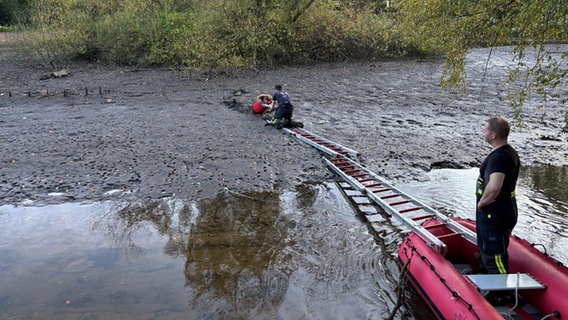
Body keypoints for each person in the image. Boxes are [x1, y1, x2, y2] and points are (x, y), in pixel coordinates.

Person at [476, 116, 520, 278]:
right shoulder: (509, 152)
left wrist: (482, 203)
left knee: (494, 253)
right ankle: (487, 281)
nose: (483, 132)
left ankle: (501, 293)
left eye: (485, 129)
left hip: (494, 212)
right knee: (489, 248)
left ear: (493, 135)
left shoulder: (499, 157)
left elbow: (495, 187)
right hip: (504, 208)